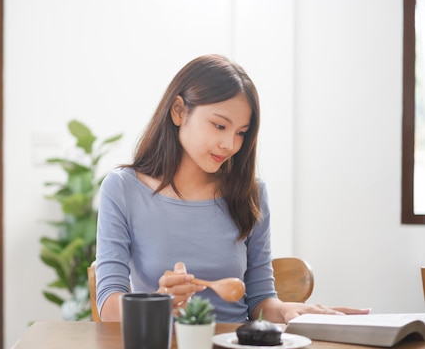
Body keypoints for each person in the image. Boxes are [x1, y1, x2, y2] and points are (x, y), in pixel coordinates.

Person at [95, 54, 369, 323]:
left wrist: (284, 310)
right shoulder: (123, 189)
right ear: (179, 111)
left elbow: (260, 300)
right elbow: (108, 305)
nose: (230, 144)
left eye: (240, 132)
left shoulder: (251, 193)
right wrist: (159, 302)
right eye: (219, 125)